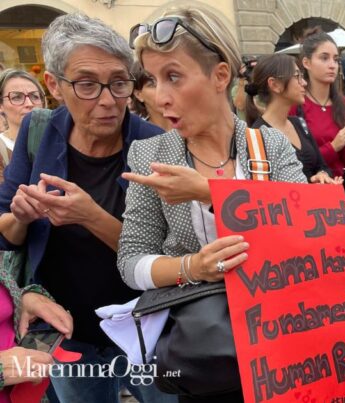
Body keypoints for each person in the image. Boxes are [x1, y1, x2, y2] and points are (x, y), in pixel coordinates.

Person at [120, 7, 305, 403]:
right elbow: (131, 261)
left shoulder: (270, 145)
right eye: (152, 80)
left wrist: (209, 192)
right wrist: (193, 267)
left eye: (173, 76)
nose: (160, 96)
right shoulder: (149, 154)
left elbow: (309, 230)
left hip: (286, 345)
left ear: (220, 75)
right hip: (205, 358)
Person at [0, 13, 173, 403]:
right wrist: (22, 217)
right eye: (87, 85)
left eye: (118, 83)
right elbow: (6, 230)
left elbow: (169, 257)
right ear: (54, 85)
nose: (108, 100)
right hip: (65, 330)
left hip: (146, 331)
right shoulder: (39, 131)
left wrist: (90, 216)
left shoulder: (155, 144)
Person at [245, 54, 340, 184]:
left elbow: (322, 166)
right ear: (274, 85)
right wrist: (311, 182)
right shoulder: (259, 136)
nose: (304, 83)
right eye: (297, 76)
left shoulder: (299, 123)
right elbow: (267, 189)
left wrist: (322, 175)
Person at [293, 29, 345, 177]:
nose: (332, 65)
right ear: (306, 62)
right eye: (324, 58)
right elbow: (296, 162)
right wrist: (334, 146)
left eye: (336, 59)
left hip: (340, 190)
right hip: (307, 190)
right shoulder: (295, 104)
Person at [0, 69, 47, 180]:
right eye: (17, 97)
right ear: (1, 105)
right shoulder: (2, 149)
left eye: (35, 96)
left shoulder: (61, 139)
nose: (29, 104)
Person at [130, 63, 172, 132]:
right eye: (152, 85)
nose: (163, 90)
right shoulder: (137, 135)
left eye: (169, 81)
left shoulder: (190, 129)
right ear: (138, 95)